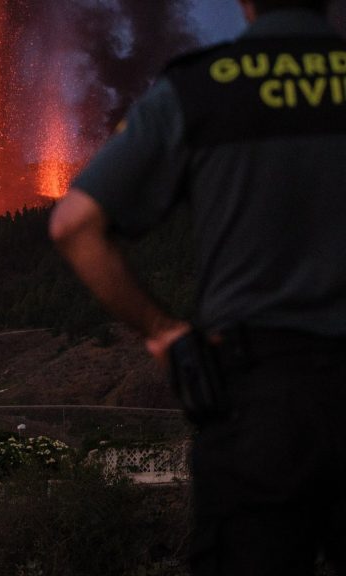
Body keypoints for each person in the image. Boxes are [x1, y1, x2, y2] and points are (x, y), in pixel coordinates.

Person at [49, 0, 346, 573]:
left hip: (256, 406)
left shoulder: (201, 87)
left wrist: (163, 332)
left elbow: (72, 224)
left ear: (245, 1)